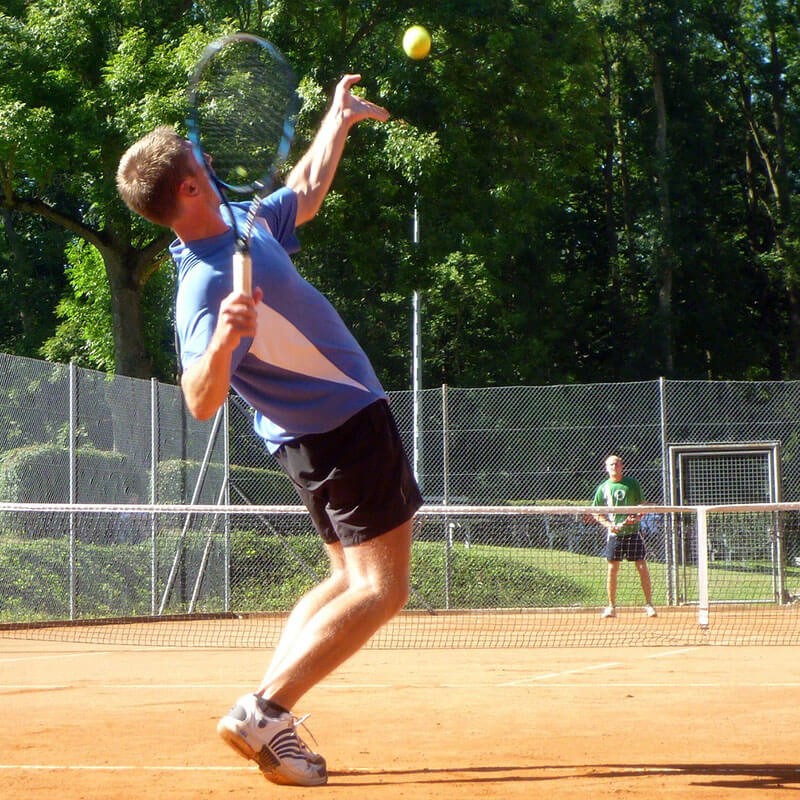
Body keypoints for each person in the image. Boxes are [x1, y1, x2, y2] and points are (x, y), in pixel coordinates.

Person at [116, 74, 422, 787]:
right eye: (196, 159)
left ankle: (266, 712)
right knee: (383, 589)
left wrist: (337, 121)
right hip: (341, 430)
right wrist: (224, 340)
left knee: (344, 577)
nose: (208, 158)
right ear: (187, 191)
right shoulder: (204, 284)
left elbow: (308, 191)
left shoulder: (246, 225)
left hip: (318, 435)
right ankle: (267, 708)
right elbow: (199, 399)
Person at [591, 454, 656, 619]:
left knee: (641, 566)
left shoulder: (632, 484)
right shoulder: (603, 488)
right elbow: (596, 512)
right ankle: (611, 607)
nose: (614, 467)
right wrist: (609, 525)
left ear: (622, 466)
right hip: (615, 535)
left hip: (633, 533)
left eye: (617, 464)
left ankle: (649, 604)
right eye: (611, 465)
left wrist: (638, 514)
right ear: (606, 468)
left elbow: (642, 504)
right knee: (612, 569)